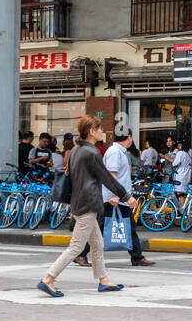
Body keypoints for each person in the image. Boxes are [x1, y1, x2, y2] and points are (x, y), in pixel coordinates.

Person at [36, 115, 132, 297]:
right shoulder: (92, 153)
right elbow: (107, 179)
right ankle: (48, 279)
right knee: (76, 247)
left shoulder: (76, 150)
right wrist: (127, 196)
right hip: (87, 204)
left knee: (97, 244)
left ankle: (103, 280)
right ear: (91, 132)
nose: (103, 132)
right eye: (100, 129)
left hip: (80, 202)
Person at [79, 129, 154, 268]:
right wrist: (116, 196)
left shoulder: (119, 152)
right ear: (129, 138)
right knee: (101, 228)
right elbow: (111, 175)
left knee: (128, 226)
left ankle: (137, 256)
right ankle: (80, 253)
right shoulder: (115, 152)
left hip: (119, 198)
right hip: (113, 199)